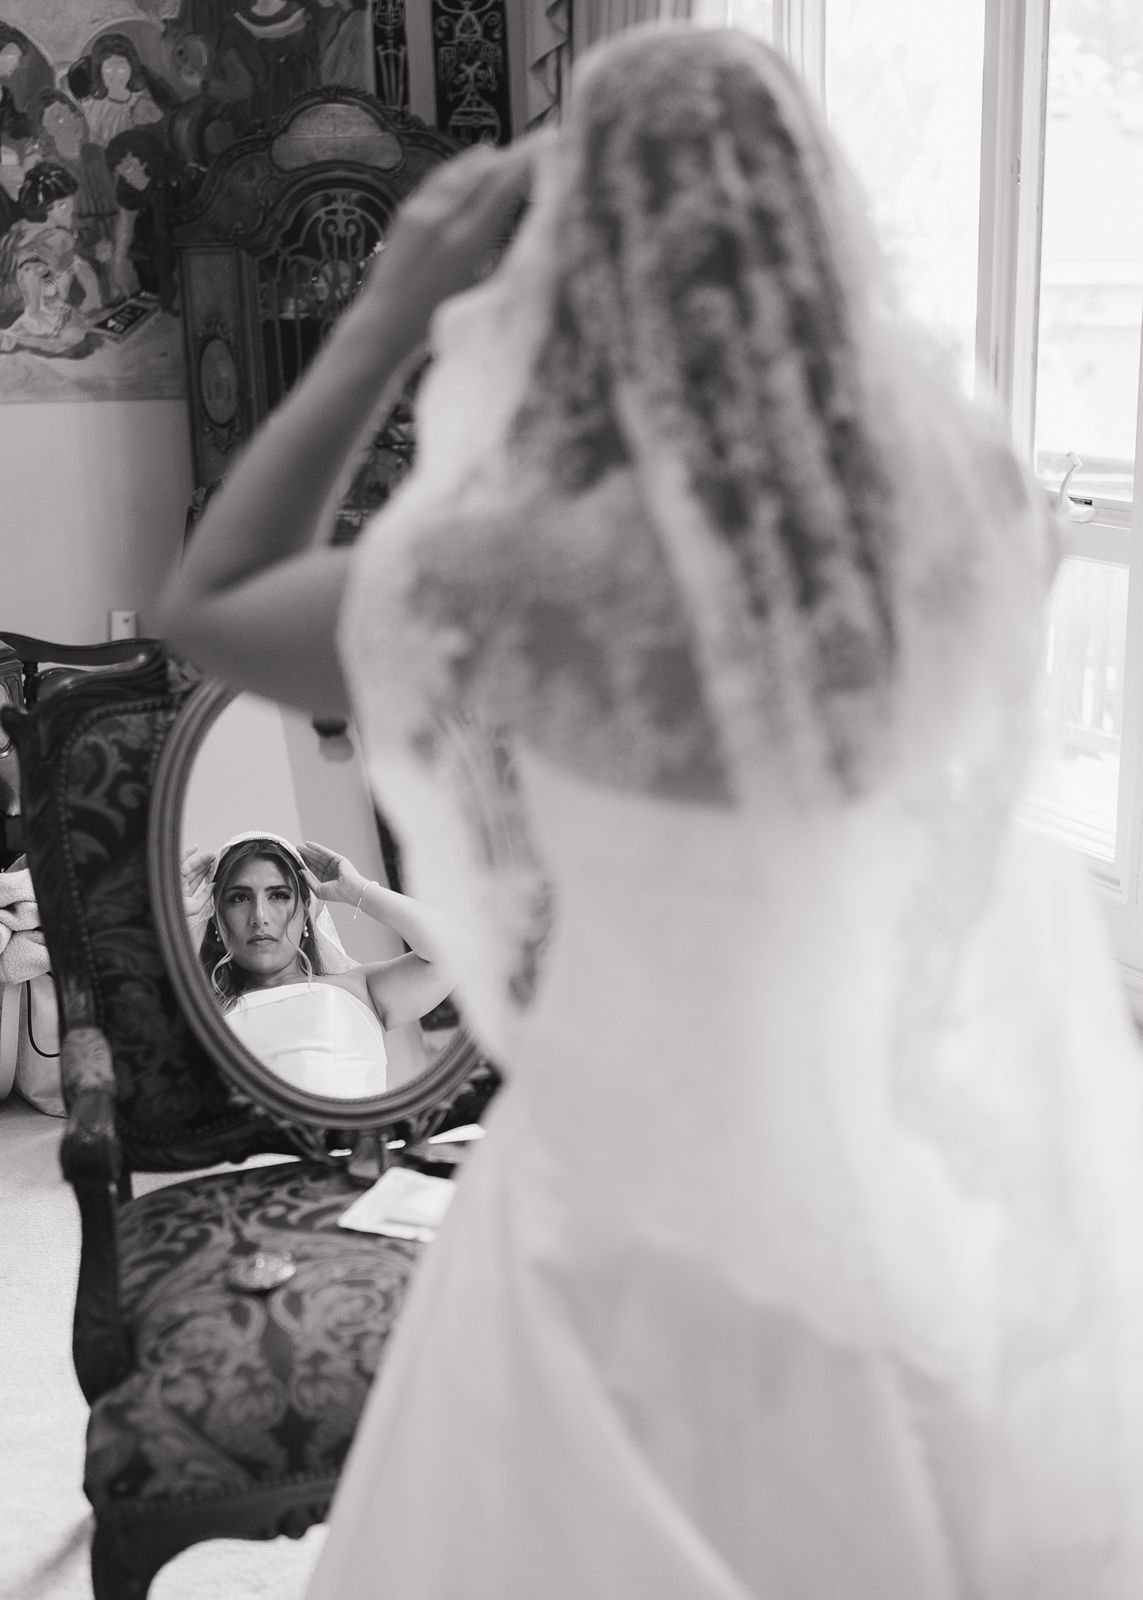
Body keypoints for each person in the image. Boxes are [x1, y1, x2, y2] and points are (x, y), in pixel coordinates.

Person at [158, 23, 1143, 1599]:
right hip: (869, 1182)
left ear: (583, 263)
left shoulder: (528, 567)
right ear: (813, 229)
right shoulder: (978, 517)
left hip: (607, 1206)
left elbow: (205, 604)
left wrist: (394, 313)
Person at [187, 830, 453, 1097]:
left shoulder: (363, 989)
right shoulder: (196, 1017)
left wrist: (358, 890)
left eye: (278, 895)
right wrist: (166, 917)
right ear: (217, 921)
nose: (259, 916)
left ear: (306, 912)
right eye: (239, 898)